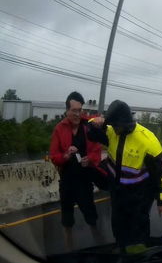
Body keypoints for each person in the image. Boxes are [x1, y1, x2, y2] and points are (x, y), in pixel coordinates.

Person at [88, 100, 162, 254]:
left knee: (138, 230)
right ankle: (123, 251)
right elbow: (91, 134)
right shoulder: (112, 131)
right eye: (113, 126)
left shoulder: (147, 141)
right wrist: (95, 122)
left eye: (117, 126)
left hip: (140, 194)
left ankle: (142, 254)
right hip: (117, 191)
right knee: (118, 226)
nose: (115, 130)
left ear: (126, 123)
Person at [49, 91, 102, 250]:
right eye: (74, 110)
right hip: (66, 181)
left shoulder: (88, 125)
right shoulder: (59, 128)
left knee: (91, 218)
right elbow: (54, 156)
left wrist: (90, 159)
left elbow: (97, 151)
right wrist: (66, 155)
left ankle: (100, 248)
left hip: (85, 181)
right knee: (67, 221)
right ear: (67, 110)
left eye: (80, 110)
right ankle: (69, 251)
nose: (78, 114)